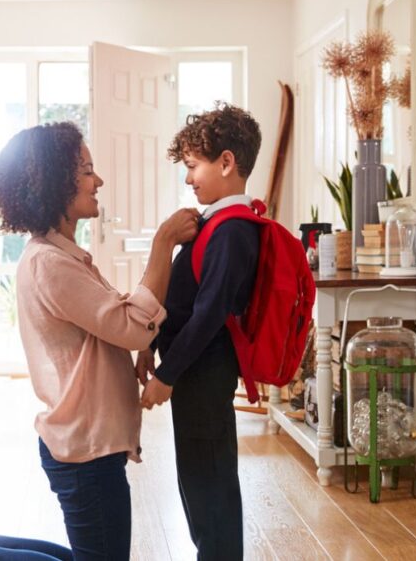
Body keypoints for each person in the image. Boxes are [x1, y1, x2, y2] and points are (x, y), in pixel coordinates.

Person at [0, 121, 198, 561]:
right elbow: (127, 325)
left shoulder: (62, 256)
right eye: (87, 169)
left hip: (87, 442)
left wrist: (144, 342)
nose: (98, 180)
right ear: (54, 182)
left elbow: (112, 322)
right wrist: (164, 242)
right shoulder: (51, 264)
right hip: (86, 447)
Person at [136, 103, 263, 560]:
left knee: (210, 483)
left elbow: (208, 315)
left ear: (226, 163)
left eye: (193, 166)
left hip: (204, 374)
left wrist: (166, 375)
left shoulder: (232, 231)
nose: (188, 178)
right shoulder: (213, 224)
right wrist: (151, 343)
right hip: (194, 373)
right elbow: (183, 295)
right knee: (196, 477)